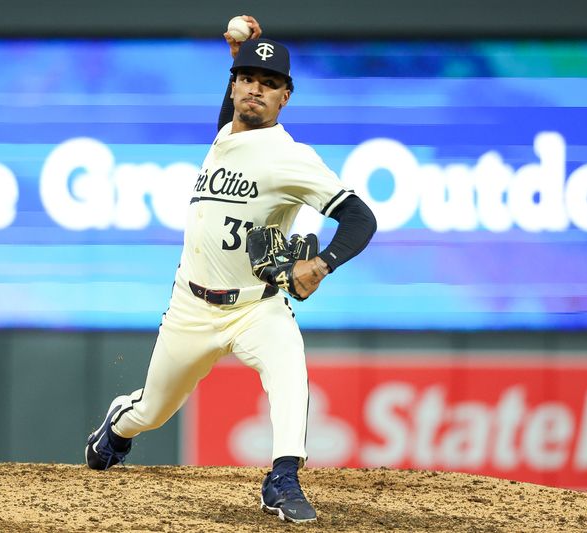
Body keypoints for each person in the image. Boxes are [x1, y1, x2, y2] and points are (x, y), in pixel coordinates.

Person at [85, 16, 377, 523]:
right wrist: (238, 55)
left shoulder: (291, 158)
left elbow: (360, 216)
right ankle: (117, 428)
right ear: (235, 86)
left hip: (255, 307)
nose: (256, 91)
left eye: (269, 84)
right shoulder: (225, 134)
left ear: (286, 96)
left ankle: (282, 479)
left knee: (291, 376)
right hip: (190, 306)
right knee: (151, 412)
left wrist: (324, 263)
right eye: (248, 80)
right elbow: (235, 118)